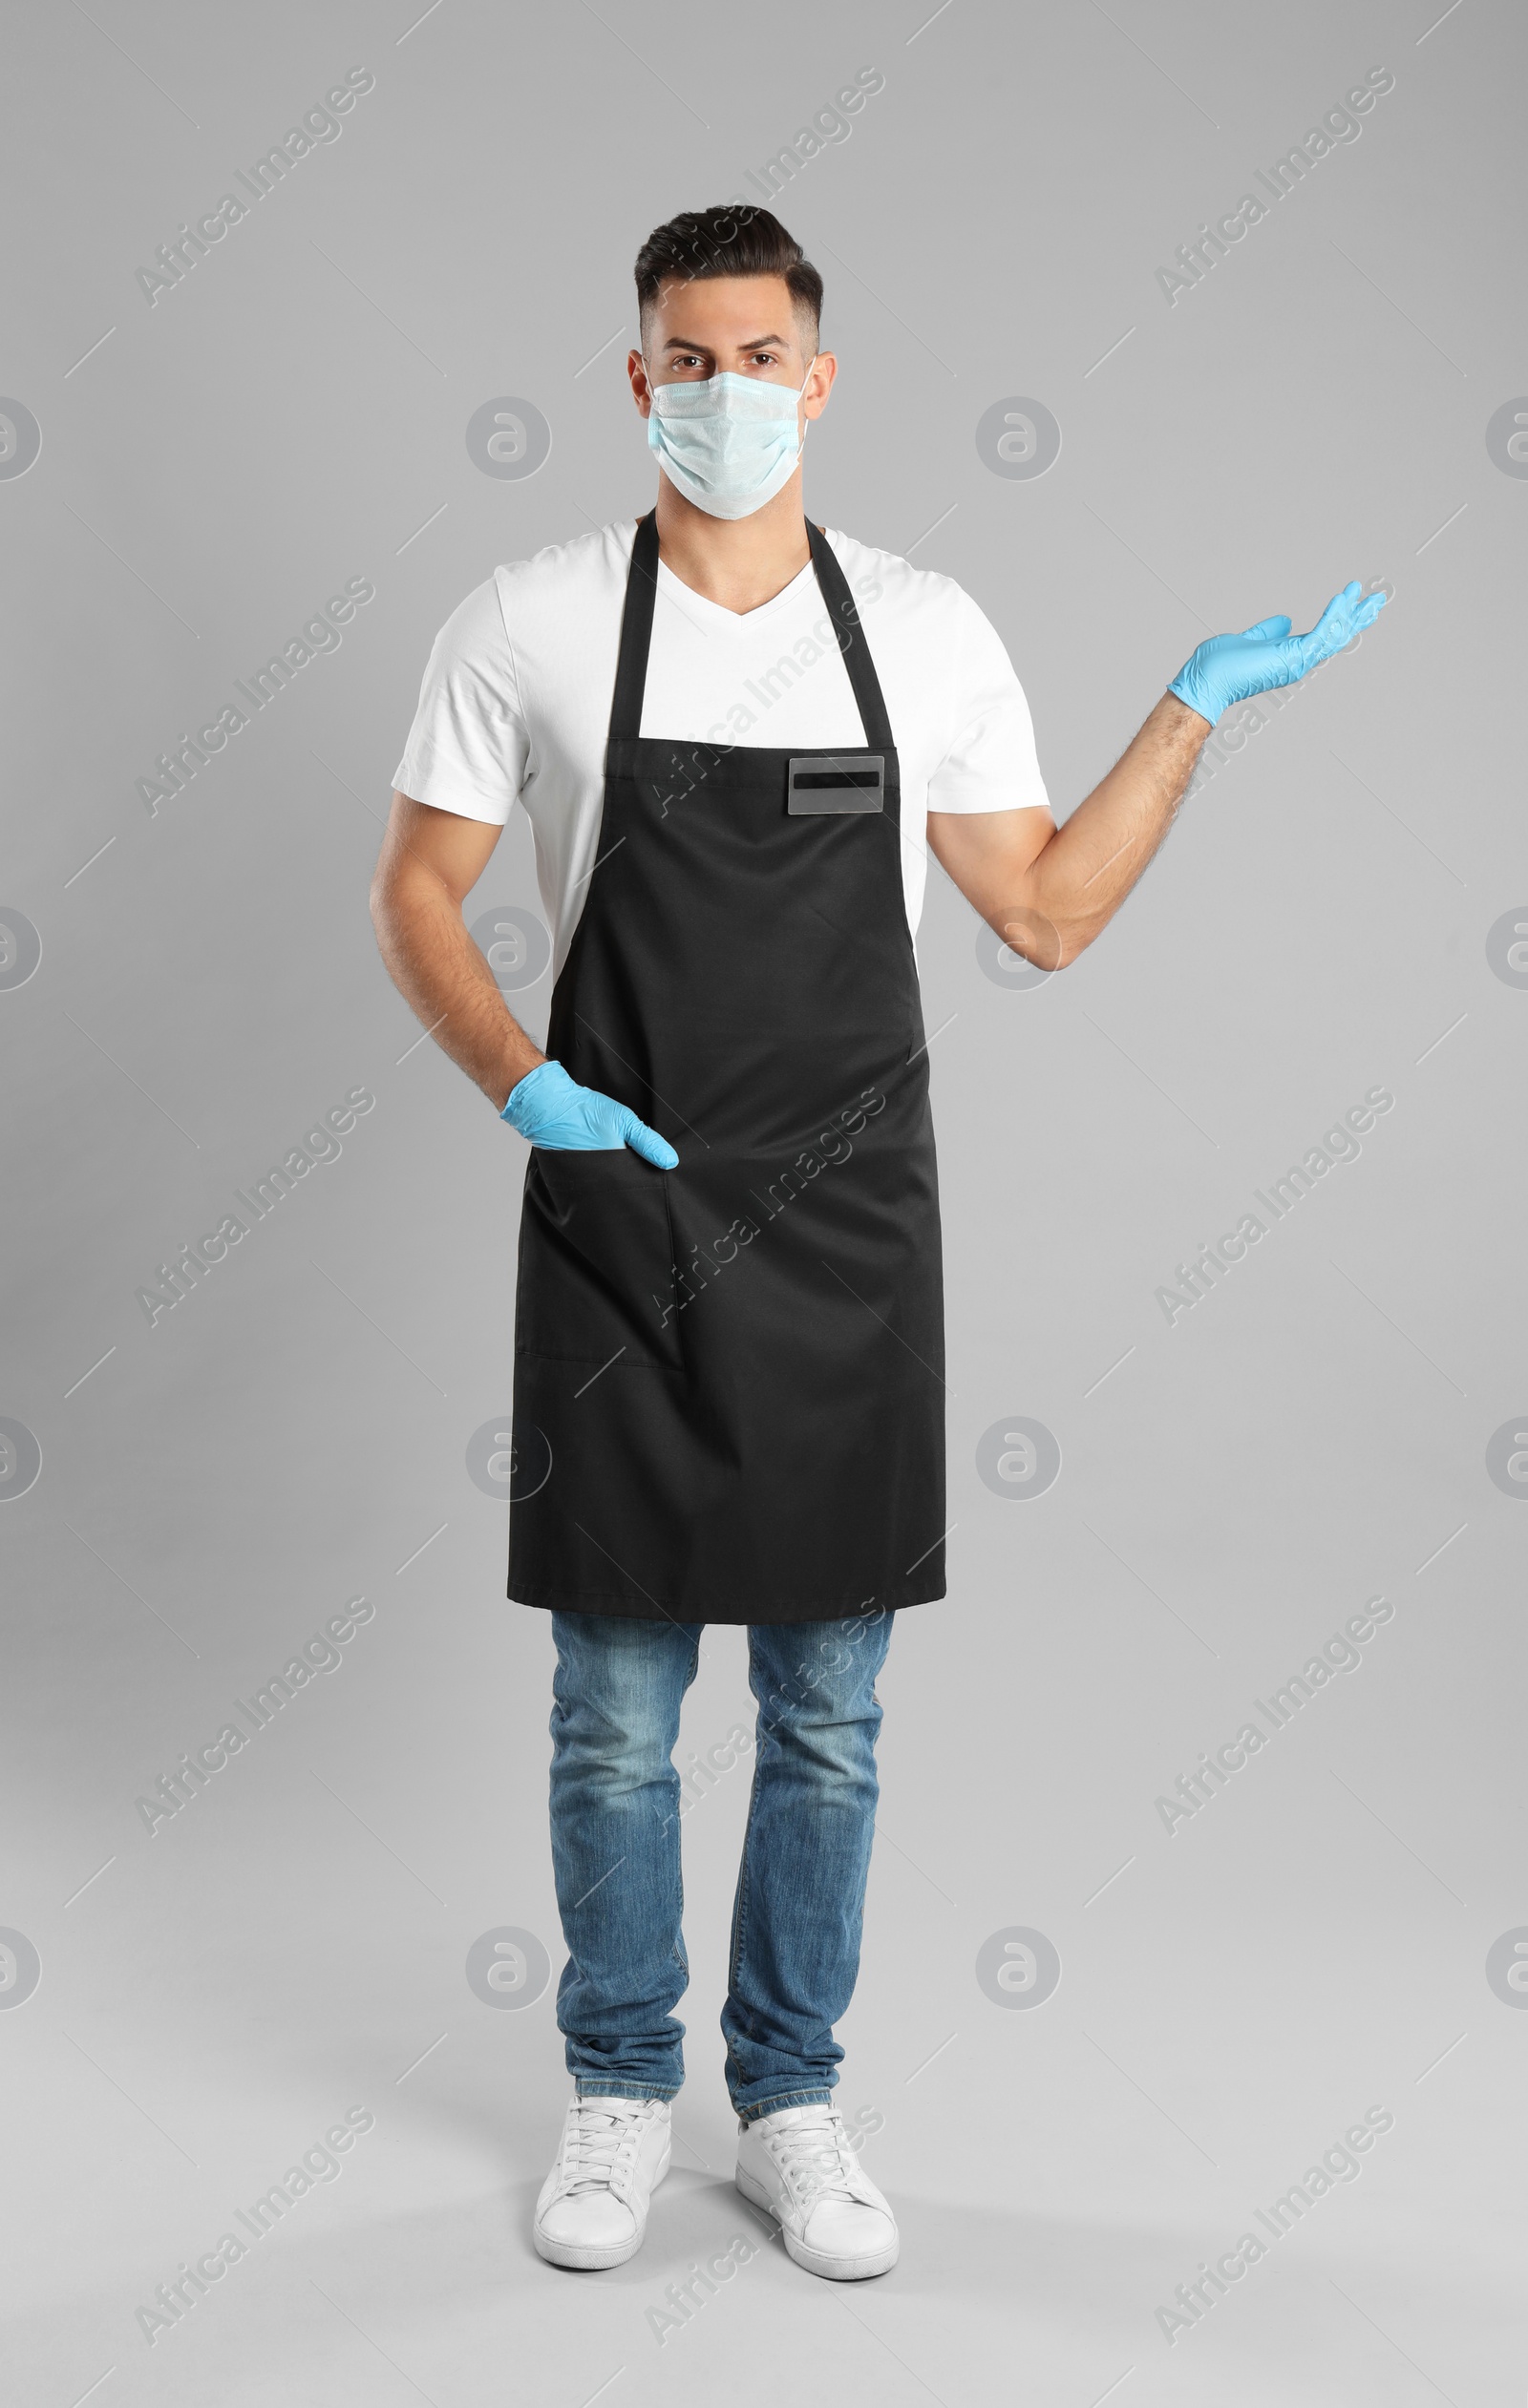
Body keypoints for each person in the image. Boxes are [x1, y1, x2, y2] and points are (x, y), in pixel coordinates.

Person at [371, 203, 1385, 2283]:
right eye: (680, 354)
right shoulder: (533, 618)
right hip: (616, 1215)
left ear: (817, 380)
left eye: (756, 356)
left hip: (845, 1234)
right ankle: (618, 2091)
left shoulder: (920, 626)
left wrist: (1185, 712)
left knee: (828, 1712)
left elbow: (1038, 911)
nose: (718, 390)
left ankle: (794, 2097)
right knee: (612, 1710)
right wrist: (517, 1081)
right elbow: (413, 889)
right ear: (632, 376)